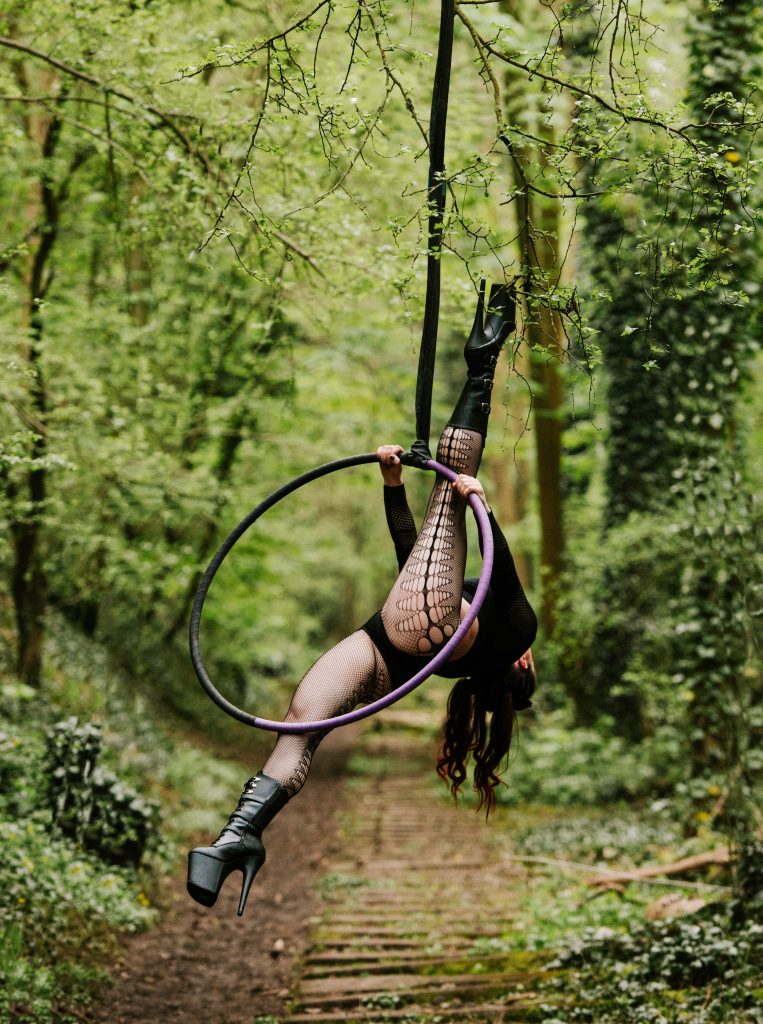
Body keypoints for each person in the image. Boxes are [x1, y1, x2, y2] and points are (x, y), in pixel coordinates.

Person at [187, 281, 538, 916]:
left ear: (520, 668)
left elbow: (497, 560)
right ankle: (237, 839)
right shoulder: (472, 616)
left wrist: (474, 502)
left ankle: (483, 367)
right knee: (300, 728)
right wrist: (392, 481)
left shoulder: (516, 629)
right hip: (385, 650)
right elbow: (420, 568)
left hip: (401, 635)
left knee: (448, 501)